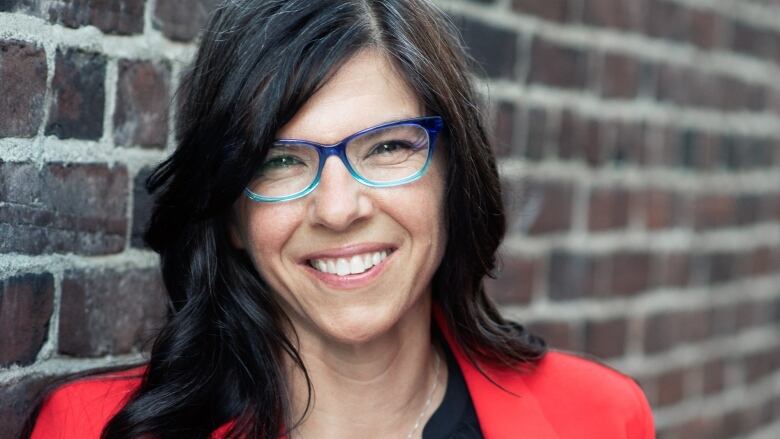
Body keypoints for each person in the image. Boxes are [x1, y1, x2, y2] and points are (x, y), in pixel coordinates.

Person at [29, 1, 655, 438]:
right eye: (280, 161)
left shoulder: (602, 417)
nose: (338, 208)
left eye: (386, 148)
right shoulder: (88, 430)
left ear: (451, 178)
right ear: (232, 214)